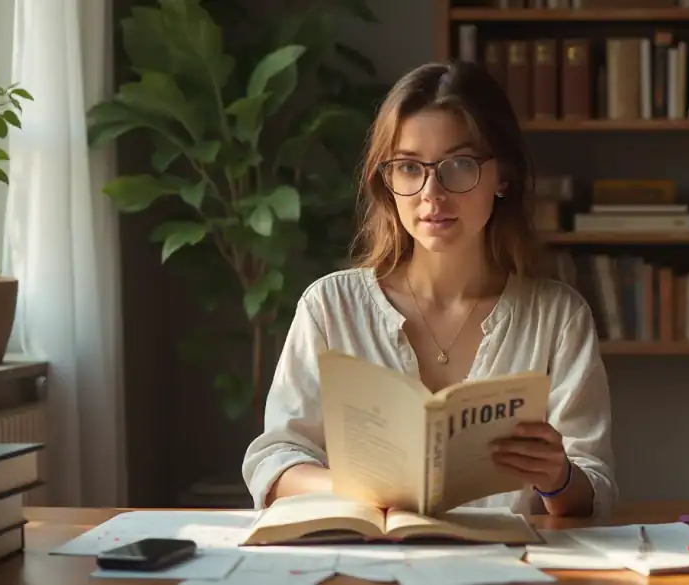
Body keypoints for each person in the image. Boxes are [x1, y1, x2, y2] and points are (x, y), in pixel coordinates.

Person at [241, 60, 616, 518]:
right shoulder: (329, 308)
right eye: (409, 167)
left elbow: (594, 486)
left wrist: (557, 478)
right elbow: (275, 462)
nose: (431, 194)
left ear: (503, 177)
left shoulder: (557, 317)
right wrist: (365, 492)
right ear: (387, 181)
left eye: (458, 165)